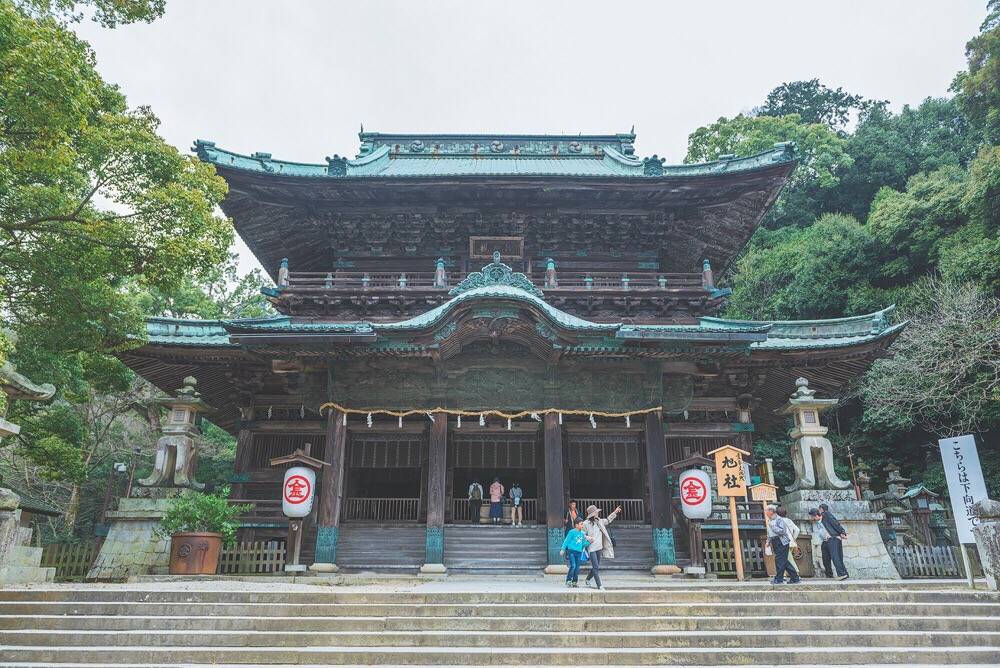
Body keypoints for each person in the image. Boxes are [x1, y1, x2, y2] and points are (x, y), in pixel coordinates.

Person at [582, 504, 621, 590]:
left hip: (599, 547)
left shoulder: (599, 521)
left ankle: (588, 579)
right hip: (591, 548)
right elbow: (582, 534)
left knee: (596, 566)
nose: (598, 513)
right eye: (596, 512)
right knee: (595, 566)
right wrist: (587, 537)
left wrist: (615, 512)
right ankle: (599, 585)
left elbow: (608, 520)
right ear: (593, 514)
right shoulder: (585, 524)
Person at [765, 504, 800, 584]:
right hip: (775, 541)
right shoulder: (770, 520)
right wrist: (768, 541)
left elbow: (782, 531)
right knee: (784, 560)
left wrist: (773, 527)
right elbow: (770, 533)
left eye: (767, 511)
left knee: (779, 560)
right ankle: (795, 577)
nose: (766, 512)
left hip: (782, 541)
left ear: (771, 511)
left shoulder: (779, 519)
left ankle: (779, 579)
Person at [814, 504, 849, 580]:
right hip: (827, 539)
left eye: (819, 510)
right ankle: (841, 574)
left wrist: (842, 532)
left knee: (835, 556)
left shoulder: (826, 514)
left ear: (821, 509)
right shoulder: (822, 518)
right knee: (832, 557)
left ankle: (842, 574)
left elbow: (835, 523)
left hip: (833, 537)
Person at [559, 517, 591, 587]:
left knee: (577, 567)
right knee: (573, 566)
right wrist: (563, 549)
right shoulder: (571, 532)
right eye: (581, 524)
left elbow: (583, 544)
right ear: (576, 525)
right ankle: (568, 580)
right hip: (571, 552)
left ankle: (574, 581)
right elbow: (566, 541)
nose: (582, 526)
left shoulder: (582, 534)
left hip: (579, 552)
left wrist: (589, 542)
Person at [776, 507, 801, 579]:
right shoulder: (789, 520)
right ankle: (784, 575)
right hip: (791, 542)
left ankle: (796, 573)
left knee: (788, 559)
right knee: (785, 559)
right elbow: (797, 530)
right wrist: (793, 538)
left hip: (784, 543)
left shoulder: (778, 521)